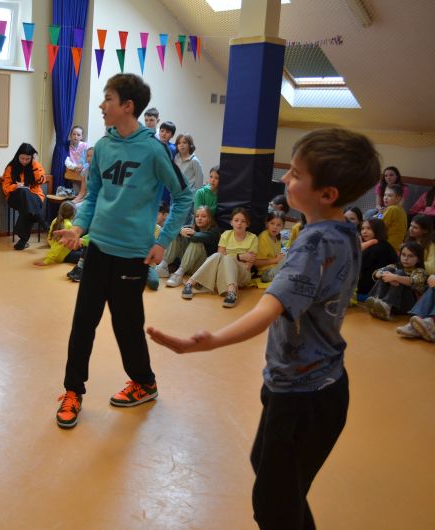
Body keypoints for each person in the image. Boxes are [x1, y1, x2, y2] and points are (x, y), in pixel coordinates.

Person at [148, 127, 381, 530]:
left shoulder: (312, 243)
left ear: (327, 194)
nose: (285, 178)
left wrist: (210, 341)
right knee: (279, 483)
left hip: (304, 394)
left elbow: (271, 307)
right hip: (315, 385)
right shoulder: (345, 229)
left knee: (274, 504)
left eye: (295, 174)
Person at [53, 73, 192, 429]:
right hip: (98, 248)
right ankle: (72, 391)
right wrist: (79, 228)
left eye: (108, 99)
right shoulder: (103, 147)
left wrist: (163, 241)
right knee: (83, 322)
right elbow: (93, 195)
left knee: (126, 326)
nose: (102, 105)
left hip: (132, 255)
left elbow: (183, 197)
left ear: (128, 106)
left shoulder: (154, 150)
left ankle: (144, 382)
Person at [181, 207, 257, 308]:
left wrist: (232, 258)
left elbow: (247, 266)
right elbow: (220, 257)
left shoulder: (253, 238)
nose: (239, 223)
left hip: (242, 275)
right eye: (236, 220)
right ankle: (190, 283)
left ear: (247, 224)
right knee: (218, 256)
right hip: (224, 271)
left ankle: (232, 292)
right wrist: (240, 257)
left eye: (243, 221)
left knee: (227, 258)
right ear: (231, 222)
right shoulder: (226, 235)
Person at [160, 205, 220, 287]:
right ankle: (163, 266)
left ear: (209, 218)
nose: (199, 218)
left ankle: (178, 275)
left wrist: (183, 232)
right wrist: (181, 230)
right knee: (176, 235)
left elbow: (196, 237)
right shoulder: (193, 227)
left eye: (203, 216)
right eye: (197, 216)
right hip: (188, 265)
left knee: (196, 242)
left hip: (200, 268)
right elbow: (174, 229)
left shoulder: (214, 232)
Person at [365, 242, 426, 321]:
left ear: (418, 259)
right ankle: (377, 301)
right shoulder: (395, 266)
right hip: (391, 303)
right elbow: (375, 273)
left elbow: (414, 281)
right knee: (388, 270)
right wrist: (385, 275)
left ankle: (387, 306)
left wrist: (395, 277)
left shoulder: (420, 271)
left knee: (399, 273)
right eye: (403, 255)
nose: (405, 258)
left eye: (410, 256)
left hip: (406, 305)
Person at [1, 142, 46, 250]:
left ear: (32, 158)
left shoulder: (35, 165)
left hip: (35, 196)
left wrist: (34, 164)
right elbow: (5, 188)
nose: (25, 161)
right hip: (15, 197)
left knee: (27, 205)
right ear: (17, 156)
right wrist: (16, 186)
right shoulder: (11, 167)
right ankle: (39, 218)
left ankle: (23, 239)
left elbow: (41, 181)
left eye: (28, 159)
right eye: (22, 158)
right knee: (23, 192)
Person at [357, 218, 398, 299]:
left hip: (370, 292)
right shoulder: (373, 245)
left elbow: (357, 268)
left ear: (378, 230)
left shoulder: (380, 248)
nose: (364, 231)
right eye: (362, 228)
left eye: (369, 228)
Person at [34, 201, 81, 266]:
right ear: (73, 213)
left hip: (61, 252)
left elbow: (50, 239)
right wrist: (47, 260)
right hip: (63, 256)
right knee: (86, 256)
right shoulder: (68, 225)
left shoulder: (55, 220)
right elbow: (58, 246)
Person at [255, 211, 285, 282]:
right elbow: (256, 262)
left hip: (275, 268)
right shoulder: (263, 237)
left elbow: (275, 256)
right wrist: (276, 260)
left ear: (282, 227)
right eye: (272, 223)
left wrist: (280, 257)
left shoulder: (277, 237)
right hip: (265, 273)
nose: (275, 227)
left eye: (278, 225)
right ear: (267, 224)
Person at [377, 184, 407, 251]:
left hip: (388, 246)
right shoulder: (401, 209)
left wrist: (379, 215)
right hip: (396, 246)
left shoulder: (392, 209)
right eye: (385, 195)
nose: (385, 198)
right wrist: (380, 214)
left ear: (398, 198)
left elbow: (378, 225)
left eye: (389, 196)